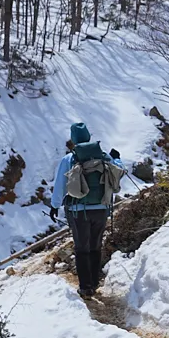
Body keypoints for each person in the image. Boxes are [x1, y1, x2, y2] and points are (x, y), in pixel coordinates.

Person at [54, 122, 124, 299]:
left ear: (73, 139)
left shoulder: (70, 159)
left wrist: (55, 206)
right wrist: (117, 158)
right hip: (101, 208)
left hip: (78, 210)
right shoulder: (103, 155)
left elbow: (60, 186)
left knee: (81, 247)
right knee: (95, 245)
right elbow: (119, 170)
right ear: (89, 136)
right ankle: (94, 282)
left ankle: (85, 288)